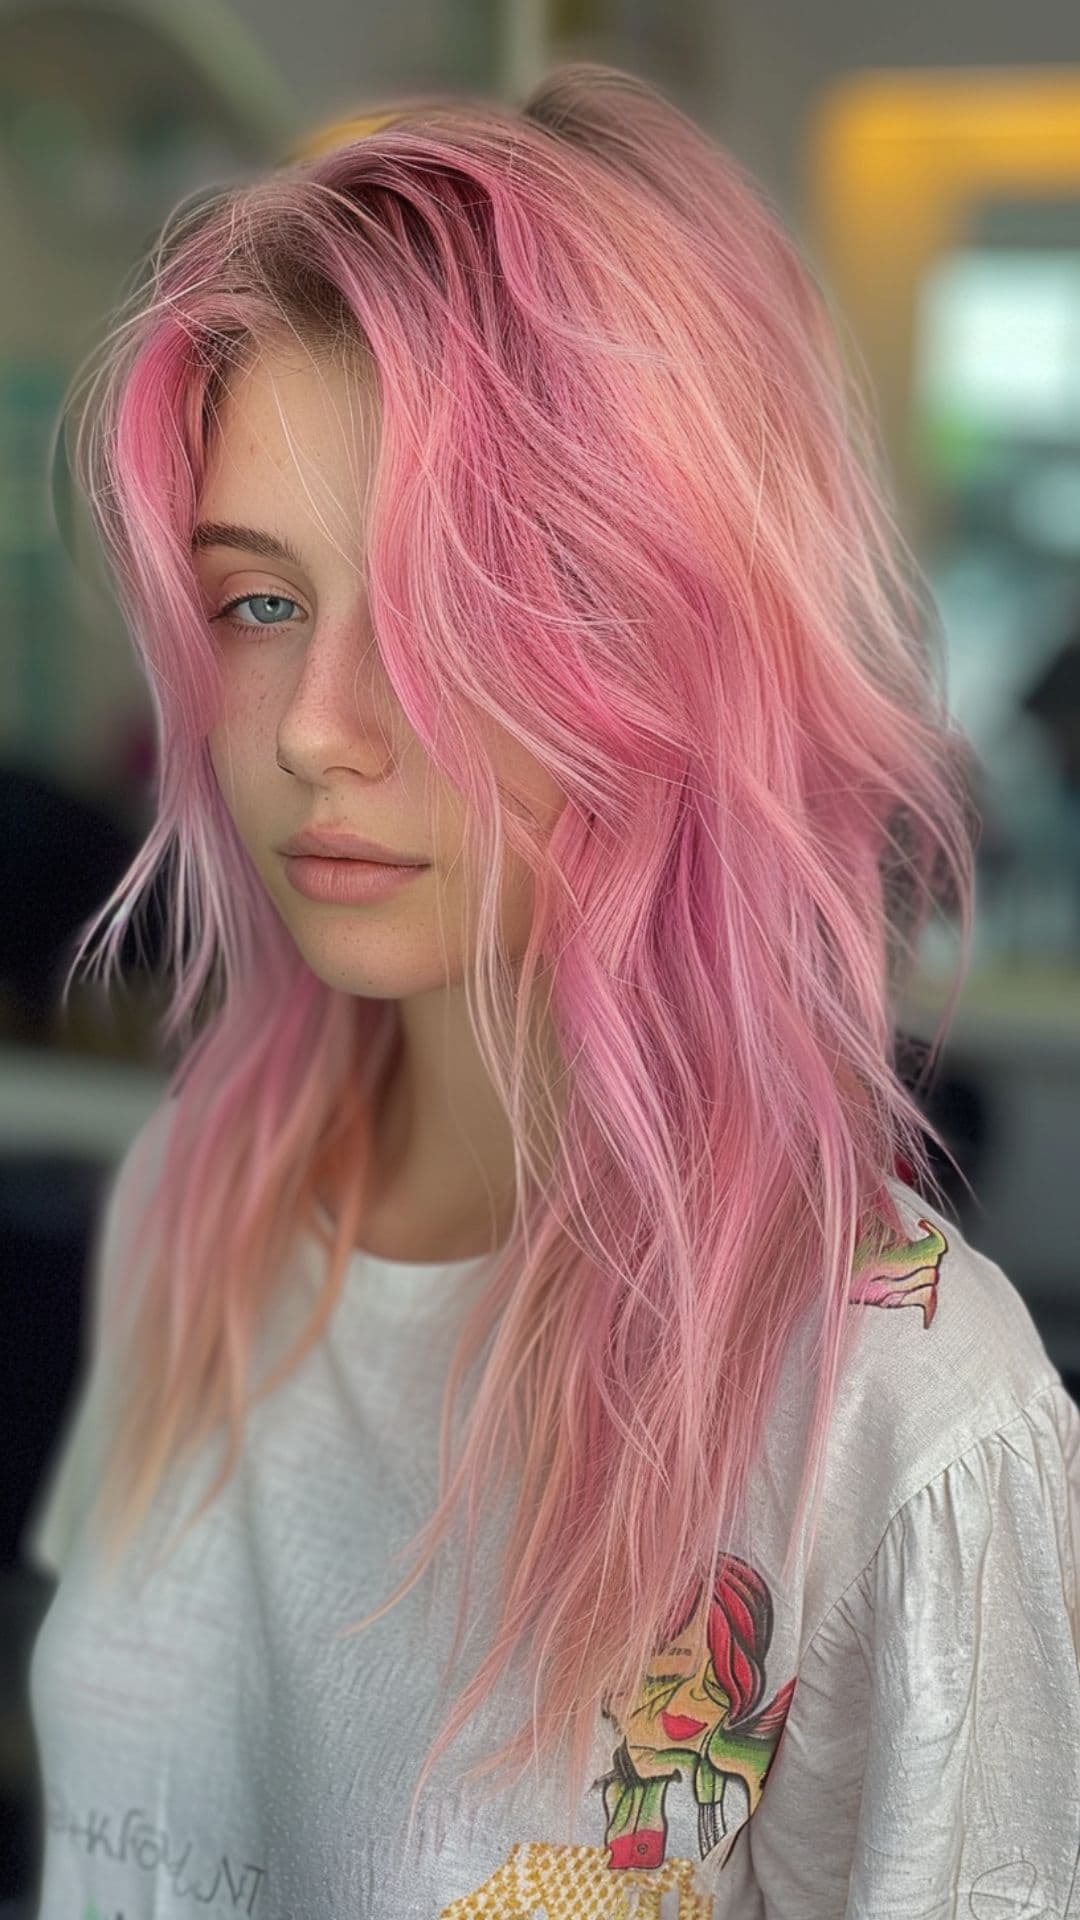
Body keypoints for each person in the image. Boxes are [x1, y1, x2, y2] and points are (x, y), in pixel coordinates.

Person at [22, 64, 1080, 1919]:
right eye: (262, 604)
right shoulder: (197, 1210)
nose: (319, 735)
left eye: (446, 610)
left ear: (673, 649)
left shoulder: (899, 1416)